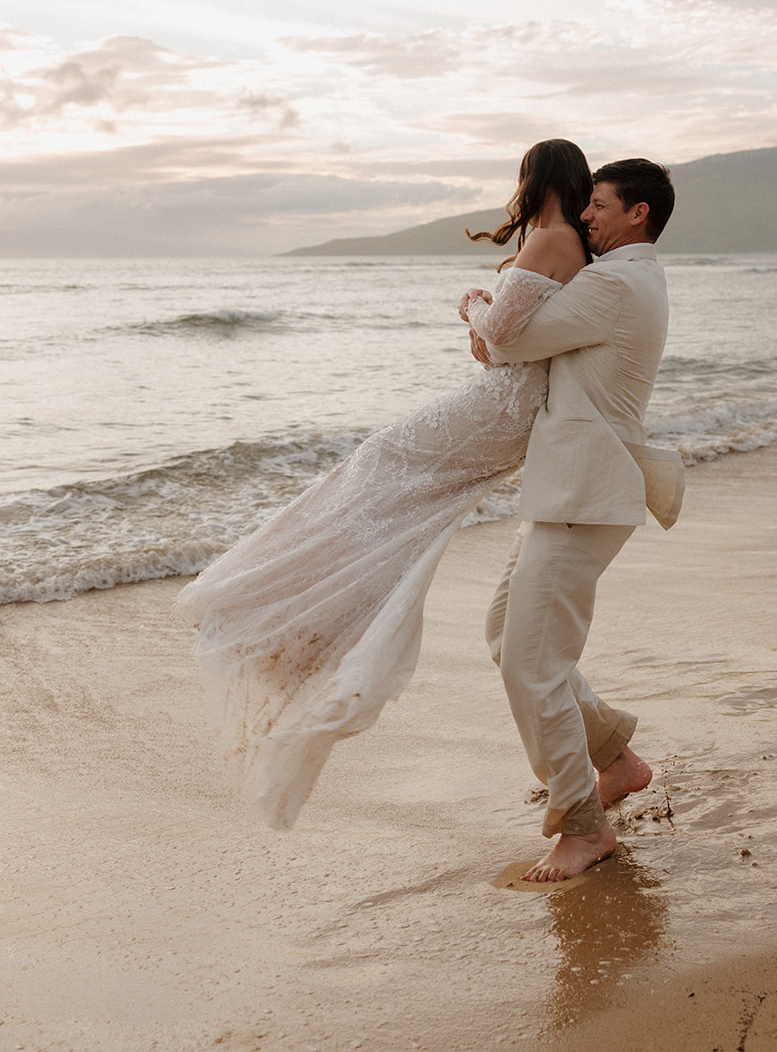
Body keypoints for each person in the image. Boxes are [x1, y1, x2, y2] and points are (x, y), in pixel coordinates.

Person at [174, 138, 593, 830]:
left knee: (377, 465)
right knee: (399, 503)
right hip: (515, 407)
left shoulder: (548, 240)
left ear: (533, 178)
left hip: (502, 407)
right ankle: (316, 623)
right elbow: (510, 342)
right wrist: (490, 328)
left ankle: (305, 619)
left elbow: (499, 333)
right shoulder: (571, 243)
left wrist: (471, 304)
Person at [462, 158, 681, 882]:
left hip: (584, 496)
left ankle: (583, 828)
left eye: (598, 205)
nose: (585, 216)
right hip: (570, 494)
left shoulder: (614, 282)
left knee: (533, 662)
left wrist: (472, 307)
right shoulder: (627, 279)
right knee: (506, 637)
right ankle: (614, 760)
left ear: (636, 214)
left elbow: (510, 339)